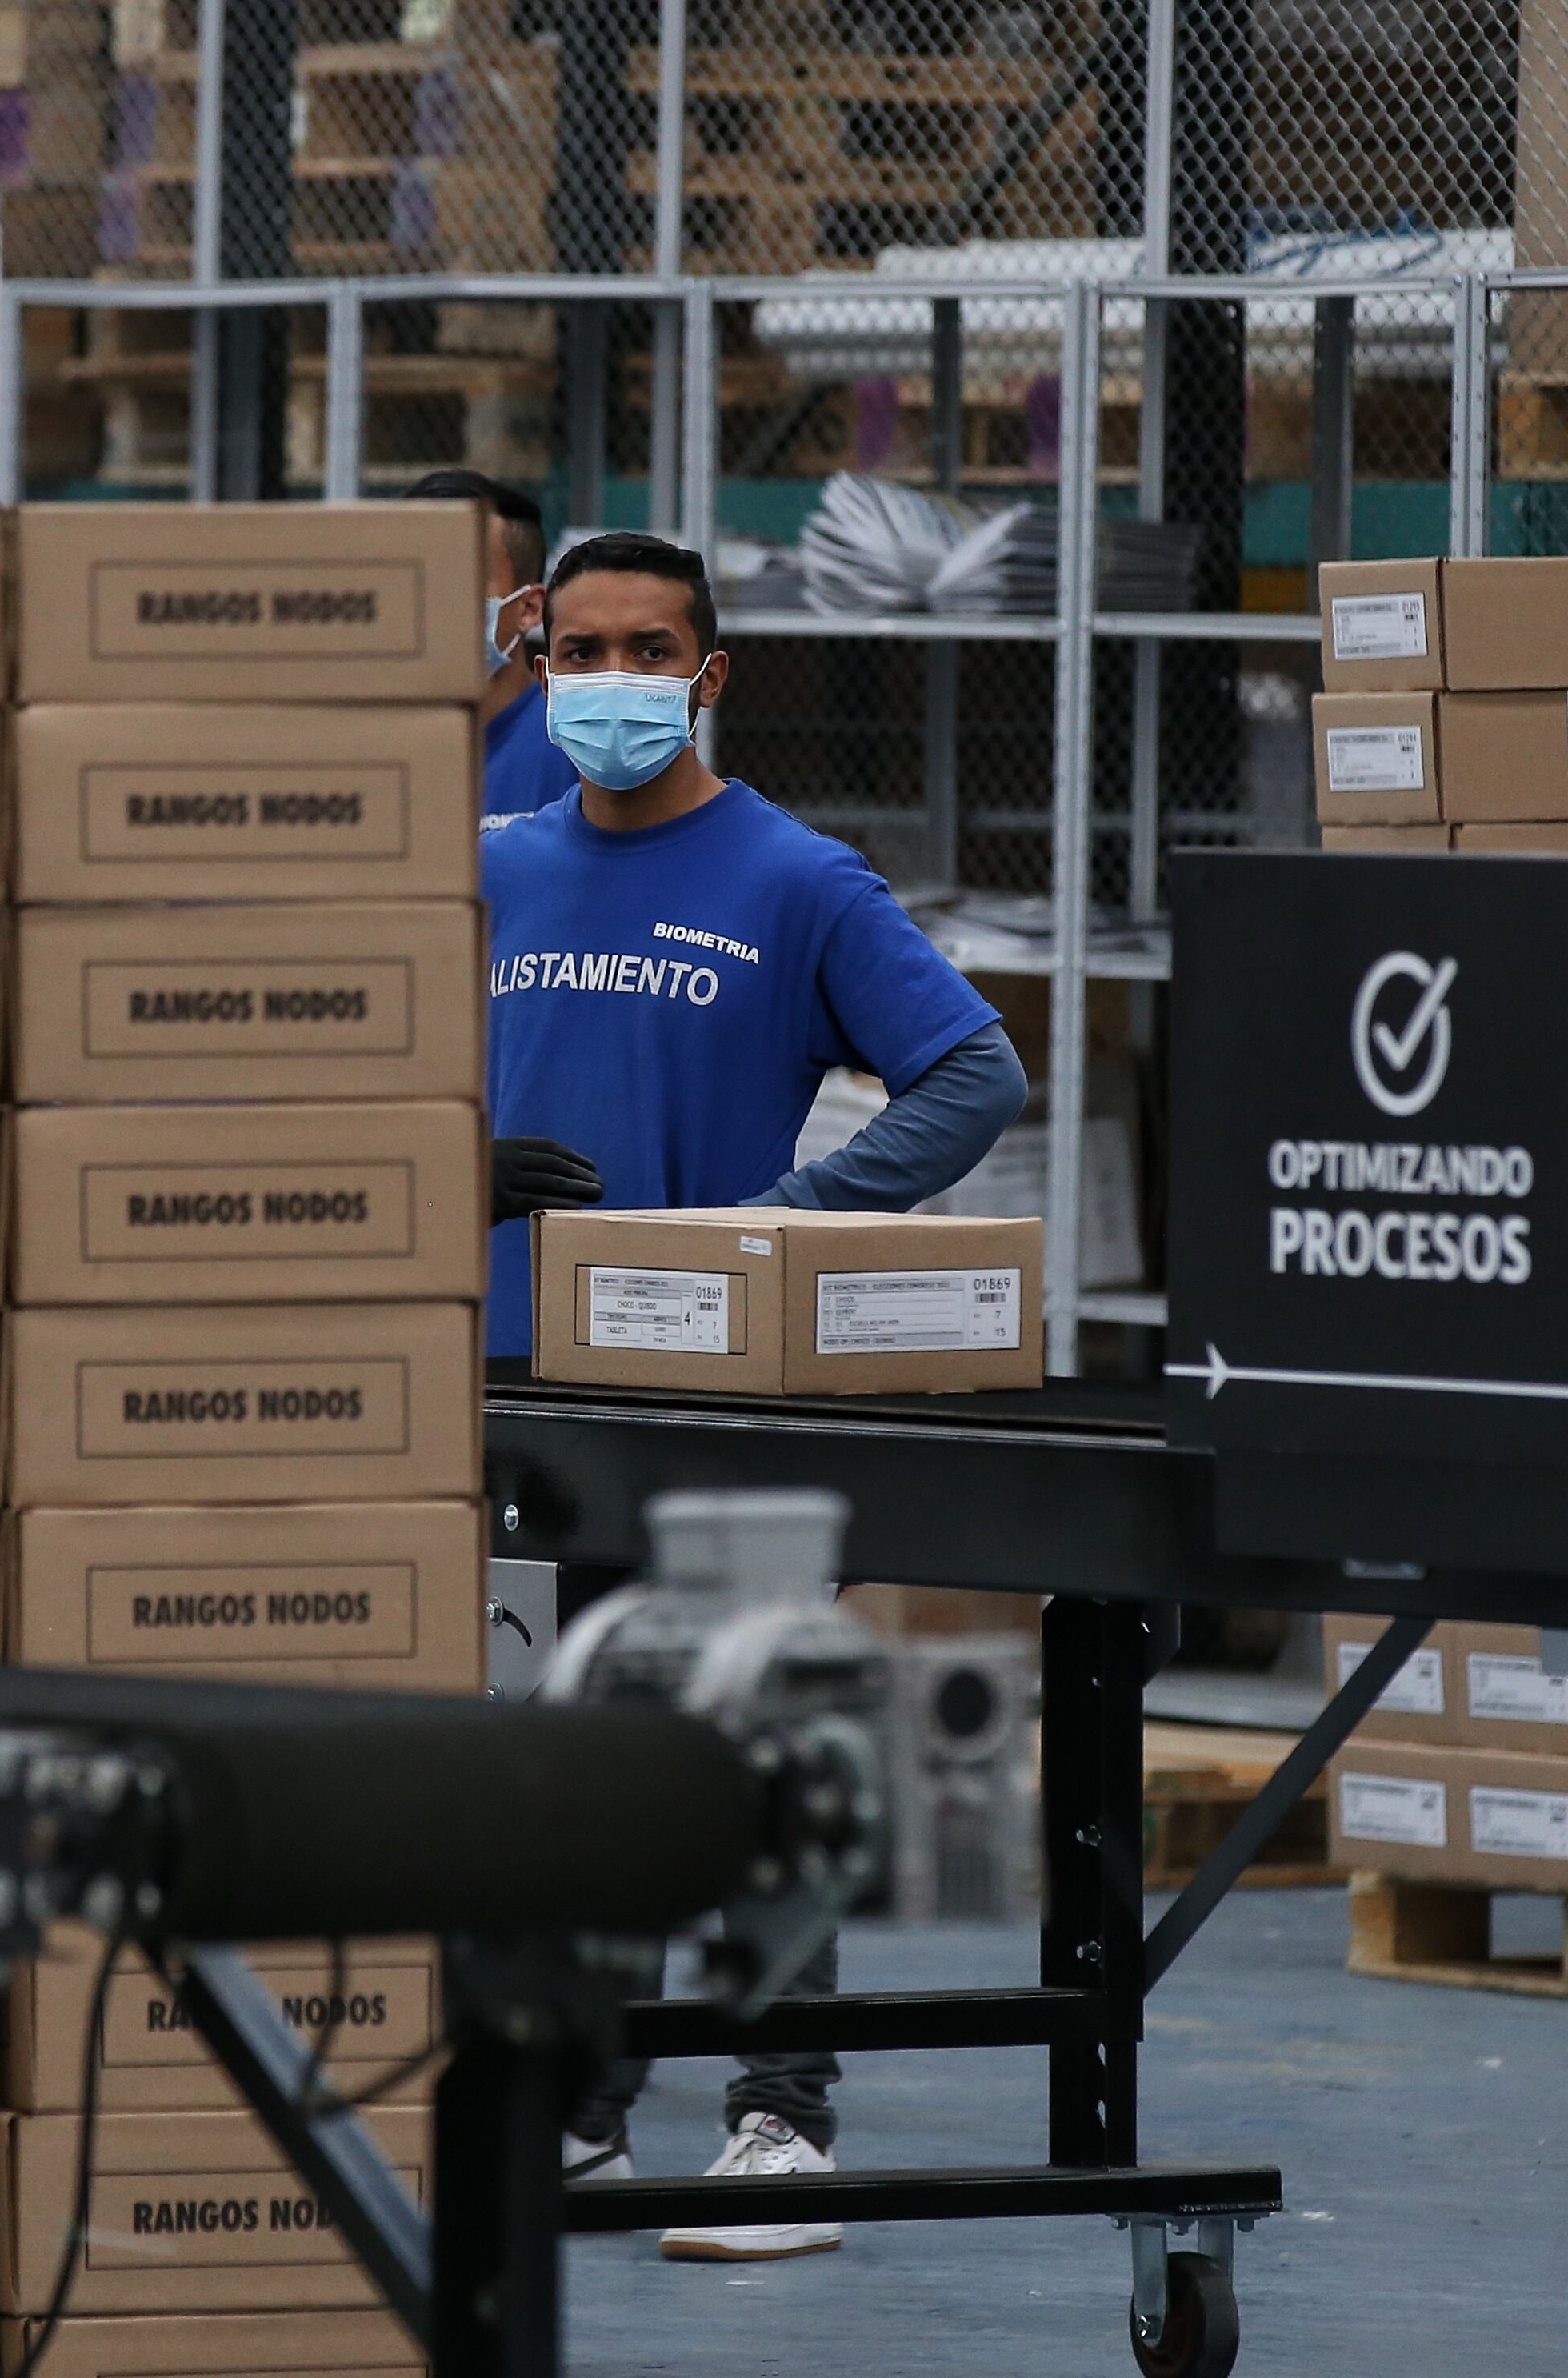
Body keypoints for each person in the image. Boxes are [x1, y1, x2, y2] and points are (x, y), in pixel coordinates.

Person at [482, 530, 1027, 2260]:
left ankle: (782, 2120)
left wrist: (787, 1220)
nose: (613, 682)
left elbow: (973, 1073)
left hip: (714, 1390)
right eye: (581, 651)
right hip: (516, 1393)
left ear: (708, 676)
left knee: (746, 1744)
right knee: (565, 1757)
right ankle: (580, 2108)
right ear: (535, 667)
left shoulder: (794, 880)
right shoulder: (482, 872)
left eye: (649, 652)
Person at [402, 468, 572, 829]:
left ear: (529, 608)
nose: (432, 597)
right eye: (413, 576)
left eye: (460, 576)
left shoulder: (577, 746)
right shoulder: (364, 743)